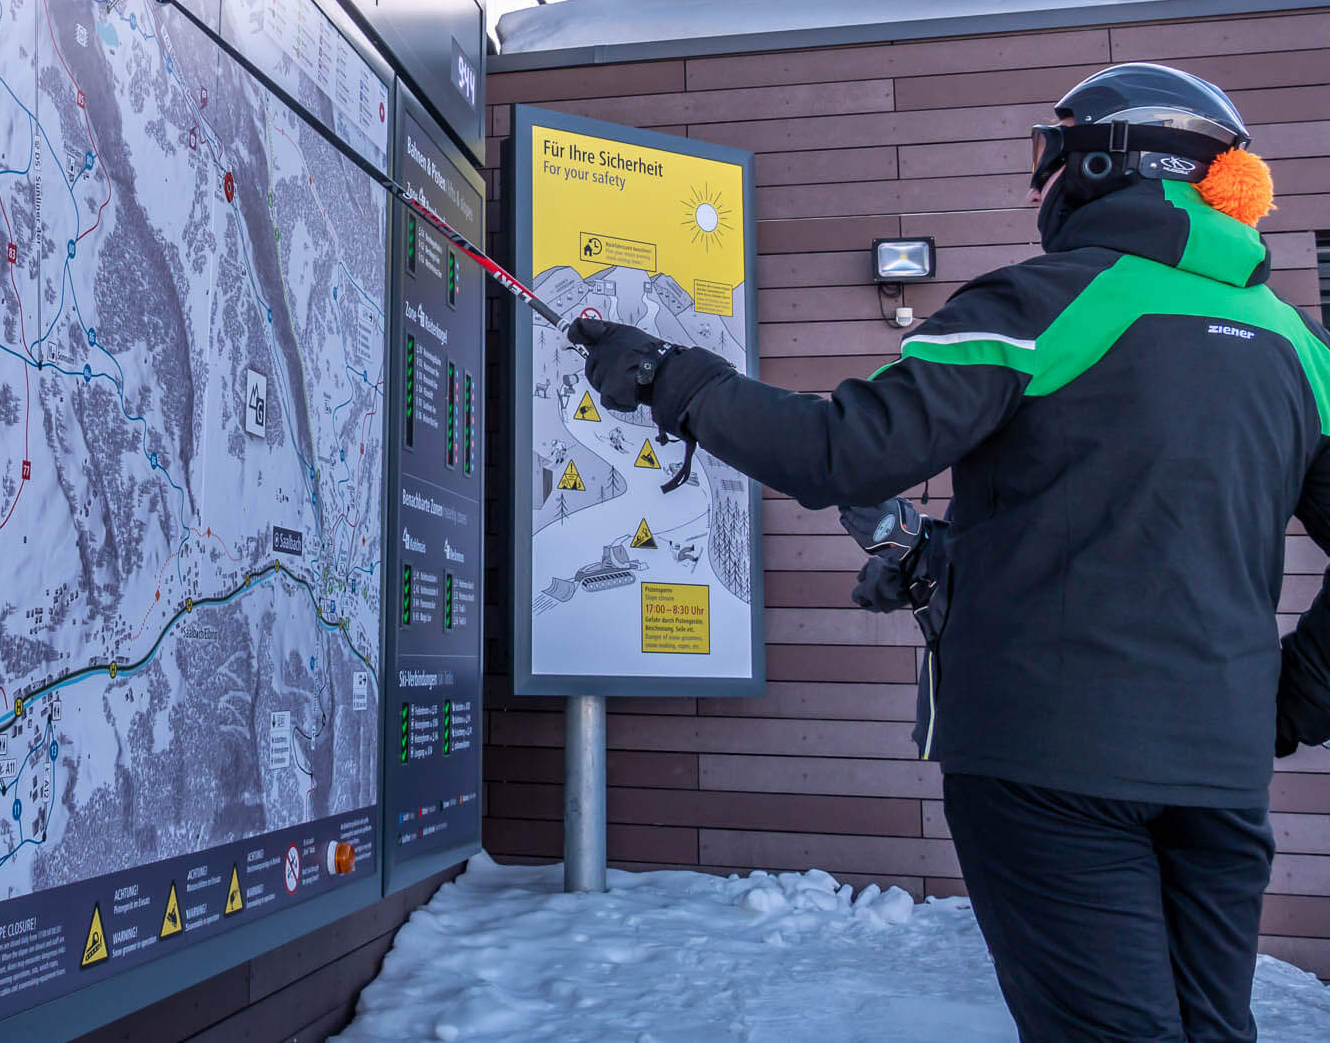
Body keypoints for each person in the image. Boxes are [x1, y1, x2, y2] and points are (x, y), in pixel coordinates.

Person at [570, 62, 1330, 1042]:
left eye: (1047, 158)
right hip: (1219, 774)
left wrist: (667, 376)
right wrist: (1284, 703)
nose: (1033, 186)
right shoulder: (1293, 346)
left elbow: (842, 451)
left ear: (1112, 163)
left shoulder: (1049, 303)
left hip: (1049, 757)